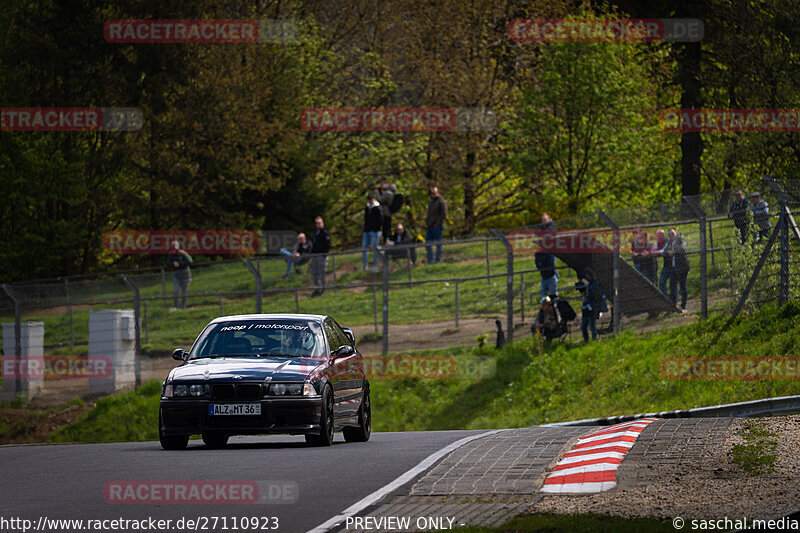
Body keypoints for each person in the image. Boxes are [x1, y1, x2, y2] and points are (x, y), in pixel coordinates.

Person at [665, 227, 690, 312]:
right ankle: (673, 305)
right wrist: (668, 252)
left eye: (672, 233)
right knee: (672, 286)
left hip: (682, 266)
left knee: (683, 286)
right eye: (669, 234)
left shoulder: (680, 239)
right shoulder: (669, 241)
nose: (670, 235)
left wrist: (674, 252)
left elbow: (683, 248)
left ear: (676, 232)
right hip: (674, 267)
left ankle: (684, 305)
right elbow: (665, 250)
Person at [579, 269, 607, 342]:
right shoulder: (588, 285)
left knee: (592, 325)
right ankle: (586, 340)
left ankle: (594, 339)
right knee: (583, 326)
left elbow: (595, 296)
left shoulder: (596, 284)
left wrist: (588, 287)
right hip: (586, 307)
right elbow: (584, 294)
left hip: (592, 307)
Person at [535, 213, 558, 299]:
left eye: (545, 220)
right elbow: (537, 234)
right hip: (543, 248)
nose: (543, 222)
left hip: (550, 249)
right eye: (542, 220)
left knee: (551, 266)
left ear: (549, 219)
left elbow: (549, 234)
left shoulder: (551, 226)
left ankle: (553, 276)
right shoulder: (542, 227)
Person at [166, 240, 192, 310]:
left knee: (184, 292)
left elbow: (190, 261)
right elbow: (168, 263)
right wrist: (173, 264)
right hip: (177, 277)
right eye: (172, 249)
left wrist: (180, 264)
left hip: (186, 276)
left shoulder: (182, 253)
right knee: (176, 291)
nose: (173, 251)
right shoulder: (170, 255)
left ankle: (183, 307)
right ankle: (176, 306)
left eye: (174, 249)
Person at [425, 186, 447, 264]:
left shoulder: (441, 201)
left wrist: (438, 224)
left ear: (438, 193)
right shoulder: (431, 202)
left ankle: (437, 260)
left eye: (434, 193)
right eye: (431, 193)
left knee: (438, 244)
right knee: (427, 243)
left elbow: (443, 214)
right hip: (430, 226)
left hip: (437, 226)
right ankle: (430, 260)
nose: (432, 195)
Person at [310, 216, 330, 297]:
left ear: (322, 223)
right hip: (315, 256)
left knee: (322, 272)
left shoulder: (325, 233)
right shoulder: (316, 233)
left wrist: (324, 254)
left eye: (319, 223)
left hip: (321, 255)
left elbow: (327, 245)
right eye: (317, 223)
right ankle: (317, 289)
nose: (318, 224)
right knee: (315, 273)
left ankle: (324, 289)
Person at [362, 193, 383, 271]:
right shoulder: (367, 208)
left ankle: (376, 265)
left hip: (375, 231)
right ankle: (364, 266)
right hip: (367, 230)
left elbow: (380, 220)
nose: (369, 202)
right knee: (364, 247)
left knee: (375, 247)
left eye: (370, 200)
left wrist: (375, 228)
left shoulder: (378, 207)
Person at [653, 229, 670, 296]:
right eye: (656, 236)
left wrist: (655, 252)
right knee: (661, 282)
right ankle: (665, 298)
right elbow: (655, 249)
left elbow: (664, 250)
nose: (656, 238)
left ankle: (673, 300)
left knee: (673, 283)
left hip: (674, 265)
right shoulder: (659, 243)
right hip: (667, 265)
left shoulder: (668, 241)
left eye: (658, 236)